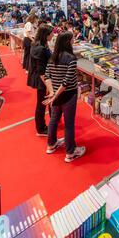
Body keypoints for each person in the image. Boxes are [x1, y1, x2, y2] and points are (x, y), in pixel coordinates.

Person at [43, 32, 86, 163]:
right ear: (68, 42)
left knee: (53, 120)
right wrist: (54, 94)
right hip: (67, 95)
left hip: (56, 95)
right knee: (68, 124)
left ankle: (51, 144)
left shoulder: (53, 57)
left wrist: (52, 93)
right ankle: (70, 152)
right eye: (72, 40)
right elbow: (67, 82)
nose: (73, 42)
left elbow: (47, 76)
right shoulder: (71, 59)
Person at [27, 25, 54, 137]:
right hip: (42, 80)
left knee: (45, 101)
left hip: (44, 78)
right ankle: (41, 128)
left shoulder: (40, 44)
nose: (53, 35)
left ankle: (51, 121)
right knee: (41, 103)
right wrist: (48, 86)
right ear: (46, 35)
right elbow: (41, 71)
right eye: (51, 33)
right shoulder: (40, 48)